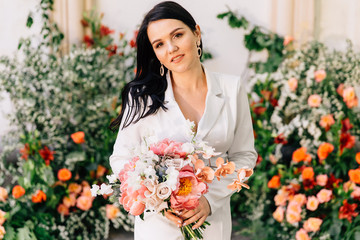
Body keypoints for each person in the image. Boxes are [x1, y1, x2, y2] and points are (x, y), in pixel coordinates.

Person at [109, 1, 257, 239]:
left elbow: (245, 156)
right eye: (159, 44)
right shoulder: (142, 98)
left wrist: (210, 200)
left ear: (196, 33)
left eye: (177, 35)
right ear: (155, 53)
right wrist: (157, 199)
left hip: (212, 222)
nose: (171, 48)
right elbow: (121, 158)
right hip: (158, 227)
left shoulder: (232, 89)